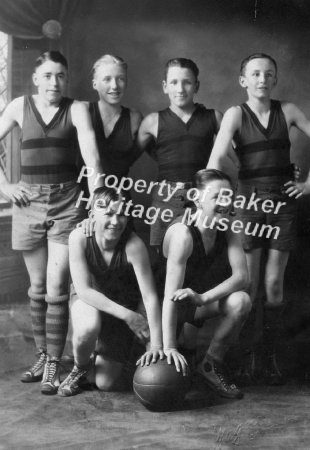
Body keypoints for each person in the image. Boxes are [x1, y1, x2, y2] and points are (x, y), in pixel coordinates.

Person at [0, 51, 102, 395]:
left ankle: (56, 363)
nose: (53, 82)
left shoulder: (77, 109)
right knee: (37, 288)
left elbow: (91, 155)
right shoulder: (18, 106)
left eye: (60, 75)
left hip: (66, 201)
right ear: (35, 78)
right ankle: (42, 356)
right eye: (47, 75)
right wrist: (6, 187)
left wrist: (98, 197)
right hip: (27, 201)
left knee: (58, 289)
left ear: (67, 78)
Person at [207, 53, 310, 385]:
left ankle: (270, 354)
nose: (262, 79)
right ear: (243, 80)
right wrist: (216, 192)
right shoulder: (236, 114)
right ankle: (246, 355)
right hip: (248, 203)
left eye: (268, 74)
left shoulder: (289, 110)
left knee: (274, 286)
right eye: (255, 74)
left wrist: (307, 184)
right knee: (248, 286)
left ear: (275, 79)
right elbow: (217, 156)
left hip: (283, 204)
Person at [57, 186, 163, 397]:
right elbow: (84, 291)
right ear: (92, 216)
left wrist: (157, 344)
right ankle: (80, 367)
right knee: (87, 327)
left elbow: (149, 296)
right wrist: (130, 316)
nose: (116, 221)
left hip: (122, 306)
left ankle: (104, 352)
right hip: (91, 301)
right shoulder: (78, 237)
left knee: (105, 383)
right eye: (109, 214)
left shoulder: (134, 245)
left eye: (122, 214)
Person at [158, 169, 251, 399]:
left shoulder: (227, 229)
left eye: (228, 196)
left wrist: (203, 298)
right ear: (197, 199)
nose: (225, 203)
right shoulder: (183, 234)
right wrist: (168, 347)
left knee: (241, 301)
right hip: (160, 310)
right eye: (217, 196)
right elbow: (169, 297)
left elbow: (242, 278)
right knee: (162, 377)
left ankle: (210, 365)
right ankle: (177, 345)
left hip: (191, 305)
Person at [137, 58, 237, 248]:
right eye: (174, 82)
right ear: (165, 86)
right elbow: (127, 157)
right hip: (166, 198)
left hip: (202, 197)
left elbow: (239, 158)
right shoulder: (152, 121)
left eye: (187, 82)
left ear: (197, 86)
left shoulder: (213, 117)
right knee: (164, 254)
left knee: (201, 251)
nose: (180, 89)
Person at [78, 54, 143, 199]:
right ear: (94, 84)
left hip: (119, 205)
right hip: (81, 201)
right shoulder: (81, 111)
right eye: (107, 79)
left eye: (120, 79)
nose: (114, 86)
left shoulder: (134, 118)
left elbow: (162, 153)